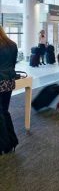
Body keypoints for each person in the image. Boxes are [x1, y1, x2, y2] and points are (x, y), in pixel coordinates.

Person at [0, 26, 18, 154]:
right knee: (4, 111)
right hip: (9, 81)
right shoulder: (12, 44)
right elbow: (13, 63)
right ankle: (11, 142)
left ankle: (3, 145)